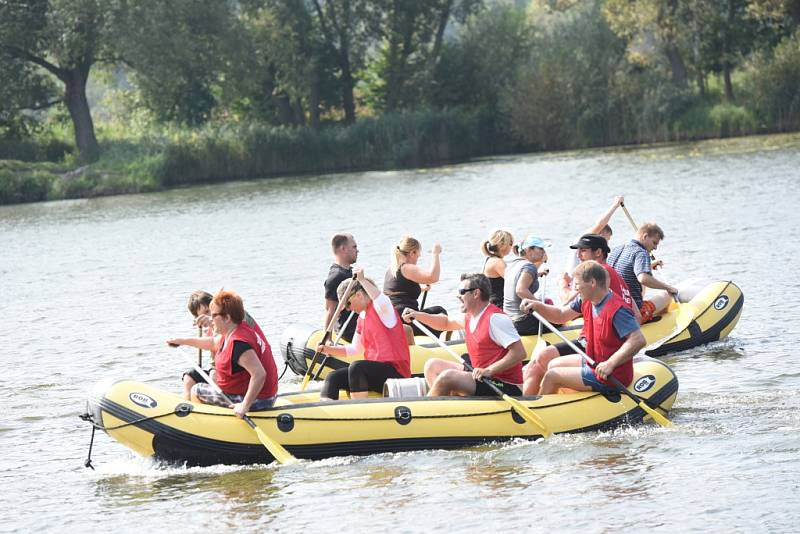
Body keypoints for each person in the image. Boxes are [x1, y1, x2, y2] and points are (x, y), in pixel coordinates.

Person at [519, 234, 638, 395]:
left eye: (578, 285)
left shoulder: (615, 306)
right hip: (594, 361)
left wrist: (610, 363)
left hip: (610, 373)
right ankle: (561, 401)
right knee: (552, 364)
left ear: (593, 282)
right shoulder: (587, 299)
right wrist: (536, 304)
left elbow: (638, 339)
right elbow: (561, 314)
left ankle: (540, 410)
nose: (576, 289)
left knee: (552, 375)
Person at [402, 273, 526, 397]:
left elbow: (519, 353)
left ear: (476, 293)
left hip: (504, 384)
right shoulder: (470, 316)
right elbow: (445, 323)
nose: (458, 296)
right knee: (432, 366)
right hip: (481, 376)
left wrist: (489, 370)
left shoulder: (495, 319)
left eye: (462, 292)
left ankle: (426, 410)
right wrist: (417, 315)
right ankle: (449, 406)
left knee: (448, 377)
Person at [167, 290, 278, 416]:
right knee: (193, 378)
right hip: (247, 389)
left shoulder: (239, 344)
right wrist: (180, 341)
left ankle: (199, 424)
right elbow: (213, 343)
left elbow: (259, 374)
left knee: (197, 390)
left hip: (260, 400)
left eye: (213, 315)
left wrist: (244, 406)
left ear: (227, 318)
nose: (210, 319)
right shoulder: (233, 329)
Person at [316, 268, 411, 400]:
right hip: (375, 374)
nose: (348, 309)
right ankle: (326, 413)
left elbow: (381, 299)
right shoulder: (362, 318)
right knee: (333, 377)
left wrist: (361, 279)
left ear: (359, 295)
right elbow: (354, 349)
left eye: (348, 304)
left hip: (396, 373)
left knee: (357, 367)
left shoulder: (382, 309)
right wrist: (327, 349)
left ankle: (360, 412)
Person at [607, 222, 678, 323]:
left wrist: (648, 266)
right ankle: (662, 322)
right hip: (633, 312)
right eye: (654, 243)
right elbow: (643, 278)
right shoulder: (641, 252)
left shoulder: (618, 249)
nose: (655, 248)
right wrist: (667, 287)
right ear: (645, 236)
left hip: (613, 307)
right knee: (667, 294)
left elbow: (625, 269)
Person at [560, 195, 625, 298]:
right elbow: (599, 224)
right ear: (599, 234)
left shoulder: (597, 259)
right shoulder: (583, 241)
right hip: (574, 292)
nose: (605, 245)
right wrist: (615, 205)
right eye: (605, 240)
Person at [384, 235, 447, 335]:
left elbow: (399, 292)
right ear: (412, 252)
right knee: (439, 311)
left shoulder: (392, 269)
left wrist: (421, 289)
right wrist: (435, 254)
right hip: (407, 319)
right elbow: (433, 277)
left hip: (395, 319)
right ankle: (440, 343)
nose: (419, 257)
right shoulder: (406, 267)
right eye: (418, 254)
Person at [503, 235, 547, 336]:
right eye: (540, 248)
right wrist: (543, 307)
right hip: (522, 321)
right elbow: (520, 290)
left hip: (509, 320)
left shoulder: (512, 265)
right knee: (558, 319)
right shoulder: (529, 266)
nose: (544, 252)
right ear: (528, 250)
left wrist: (538, 274)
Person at [324, 233, 359, 341]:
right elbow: (330, 310)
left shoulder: (349, 271)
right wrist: (327, 340)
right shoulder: (336, 276)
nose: (357, 250)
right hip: (350, 330)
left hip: (360, 324)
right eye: (354, 247)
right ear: (343, 249)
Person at [481, 229, 514, 307]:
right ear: (502, 245)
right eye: (510, 243)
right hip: (499, 305)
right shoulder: (497, 262)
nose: (511, 246)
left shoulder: (490, 259)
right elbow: (514, 281)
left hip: (493, 302)